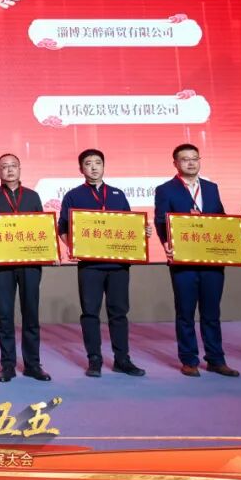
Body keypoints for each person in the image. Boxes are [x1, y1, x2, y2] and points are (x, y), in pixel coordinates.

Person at [58, 149, 152, 378]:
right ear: (81, 169)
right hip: (90, 266)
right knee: (90, 313)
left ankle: (122, 359)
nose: (94, 167)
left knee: (119, 313)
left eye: (98, 163)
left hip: (118, 266)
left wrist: (143, 232)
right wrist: (72, 246)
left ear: (104, 166)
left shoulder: (118, 194)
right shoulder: (73, 196)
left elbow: (130, 225)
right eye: (88, 163)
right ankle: (94, 360)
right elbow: (62, 228)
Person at [153, 144, 241, 378]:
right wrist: (167, 243)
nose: (191, 163)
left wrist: (236, 237)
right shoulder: (165, 189)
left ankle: (216, 359)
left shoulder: (211, 188)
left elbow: (221, 218)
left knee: (211, 312)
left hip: (212, 259)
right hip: (184, 260)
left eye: (195, 158)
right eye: (185, 159)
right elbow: (161, 220)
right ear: (175, 163)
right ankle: (189, 360)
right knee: (185, 312)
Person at [0, 154, 51, 382]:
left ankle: (33, 365)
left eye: (13, 166)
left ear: (20, 169)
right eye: (4, 167)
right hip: (2, 267)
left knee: (31, 314)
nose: (9, 170)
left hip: (30, 265)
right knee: (5, 315)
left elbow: (42, 229)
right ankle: (8, 365)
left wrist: (49, 251)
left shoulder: (32, 196)